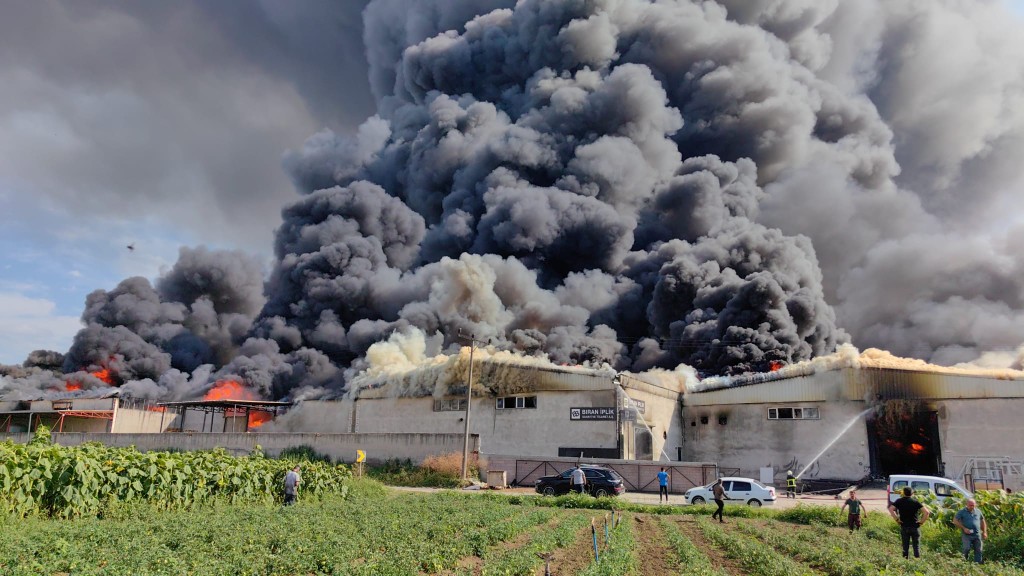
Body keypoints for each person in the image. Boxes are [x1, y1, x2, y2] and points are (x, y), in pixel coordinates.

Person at [888, 486, 930, 558]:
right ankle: (917, 561)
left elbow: (891, 509)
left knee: (905, 547)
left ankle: (905, 561)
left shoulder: (899, 501)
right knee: (916, 547)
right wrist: (921, 522)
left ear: (903, 493)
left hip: (904, 526)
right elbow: (926, 512)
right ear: (912, 493)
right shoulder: (915, 502)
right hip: (915, 526)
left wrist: (897, 519)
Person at [952, 498, 987, 563]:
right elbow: (955, 521)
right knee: (966, 548)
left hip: (977, 534)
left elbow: (983, 521)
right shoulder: (962, 512)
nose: (972, 507)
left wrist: (984, 532)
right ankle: (964, 562)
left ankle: (977, 564)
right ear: (966, 504)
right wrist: (964, 528)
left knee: (979, 550)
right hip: (967, 535)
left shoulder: (978, 511)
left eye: (973, 505)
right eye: (970, 505)